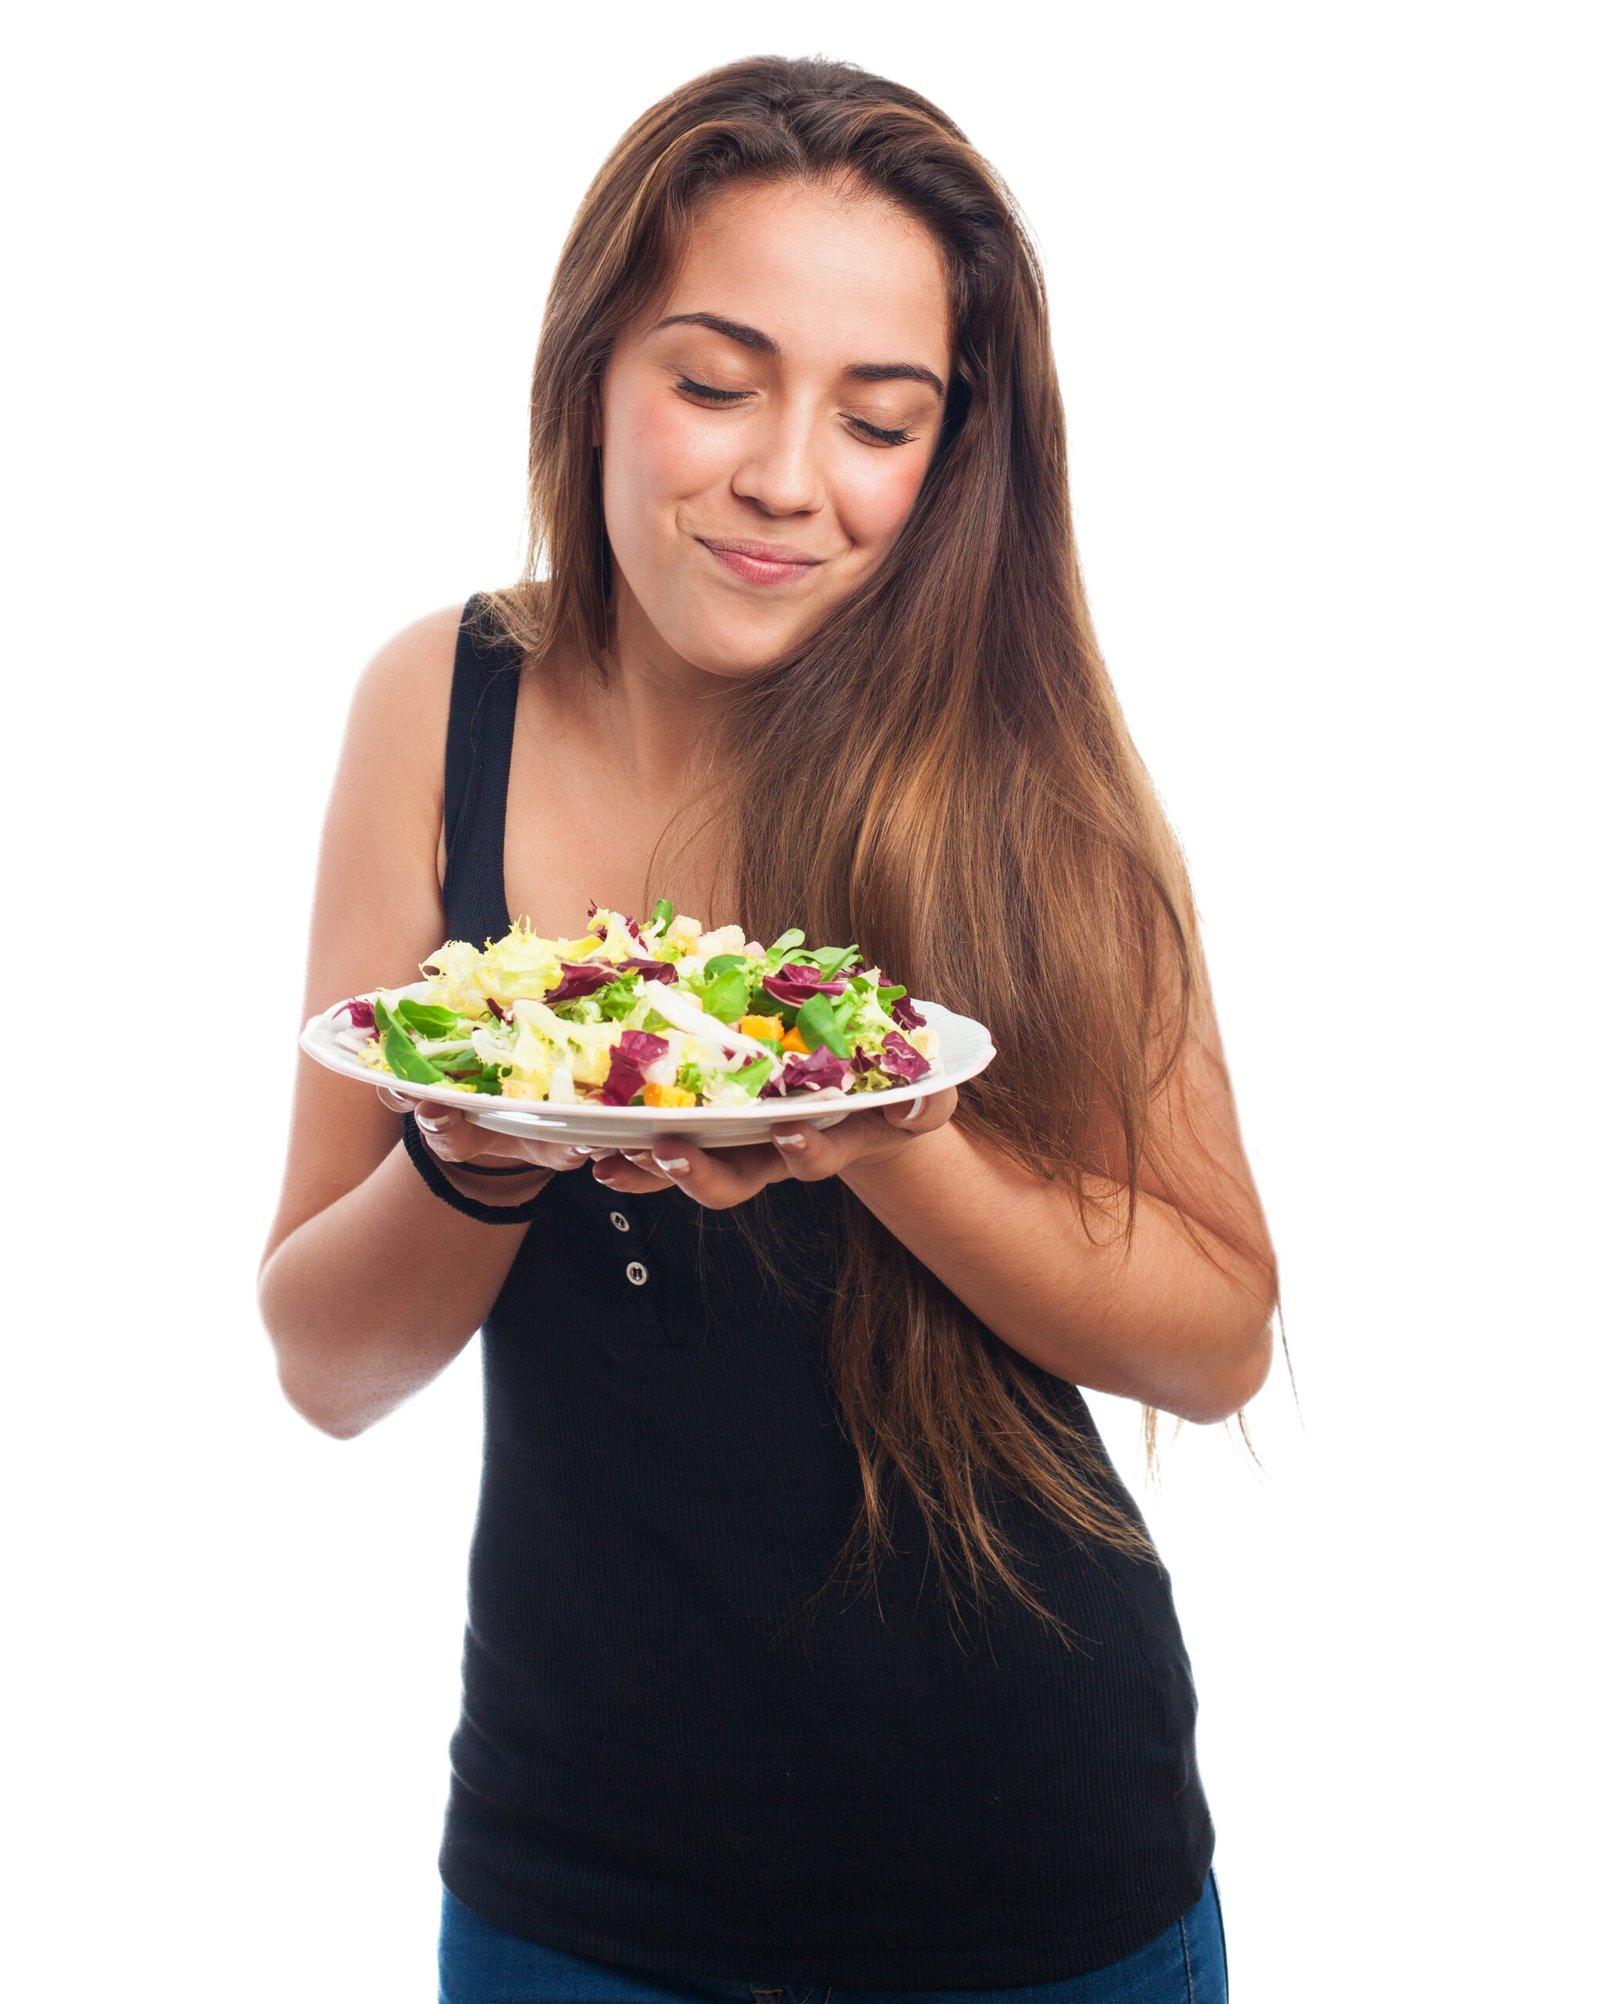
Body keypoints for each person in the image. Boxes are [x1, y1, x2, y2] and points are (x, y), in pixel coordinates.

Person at [258, 53, 1277, 2004]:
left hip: (1033, 1892)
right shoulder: (442, 700)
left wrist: (891, 1138)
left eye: (876, 418)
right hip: (577, 1889)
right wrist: (471, 1153)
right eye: (713, 382)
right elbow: (322, 1362)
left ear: (945, 447)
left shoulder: (1013, 763)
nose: (784, 478)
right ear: (591, 365)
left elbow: (1218, 1333)